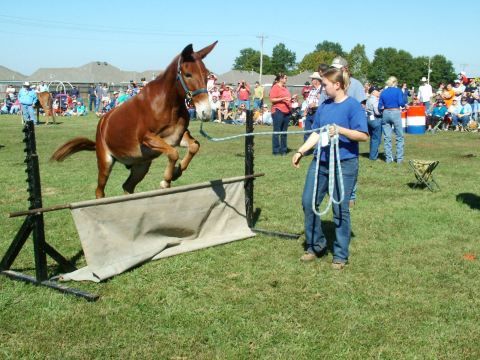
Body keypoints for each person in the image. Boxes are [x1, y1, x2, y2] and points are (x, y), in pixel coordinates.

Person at [291, 66, 368, 269]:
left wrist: (340, 130)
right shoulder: (324, 106)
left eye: (325, 84)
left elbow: (363, 135)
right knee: (309, 202)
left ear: (337, 85)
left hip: (344, 164)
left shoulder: (353, 107)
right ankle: (316, 245)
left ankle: (340, 255)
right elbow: (317, 133)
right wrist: (301, 151)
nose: (323, 88)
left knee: (340, 208)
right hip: (320, 163)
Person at [330, 56, 366, 207]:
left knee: (349, 162)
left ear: (345, 69)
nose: (334, 71)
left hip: (349, 133)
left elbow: (361, 108)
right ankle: (334, 194)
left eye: (337, 69)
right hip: (331, 131)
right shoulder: (330, 83)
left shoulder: (356, 85)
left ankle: (350, 196)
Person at [379, 76, 406, 164]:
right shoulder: (398, 91)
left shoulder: (383, 92)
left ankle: (388, 159)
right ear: (395, 83)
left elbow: (380, 106)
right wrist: (405, 104)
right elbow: (401, 103)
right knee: (399, 136)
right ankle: (399, 159)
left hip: (386, 113)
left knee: (387, 137)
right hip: (395, 112)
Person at [269, 73, 291, 155]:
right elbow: (272, 99)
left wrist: (291, 99)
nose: (286, 79)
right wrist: (282, 99)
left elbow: (287, 98)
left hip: (287, 111)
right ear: (281, 79)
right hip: (278, 111)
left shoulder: (285, 88)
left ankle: (283, 150)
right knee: (277, 131)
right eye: (285, 78)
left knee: (284, 132)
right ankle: (276, 150)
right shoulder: (275, 87)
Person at [303, 72, 323, 146]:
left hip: (317, 112)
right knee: (307, 131)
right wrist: (306, 109)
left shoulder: (323, 89)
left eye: (312, 79)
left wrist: (316, 104)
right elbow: (308, 101)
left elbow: (324, 101)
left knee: (317, 132)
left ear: (317, 80)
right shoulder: (312, 90)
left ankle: (318, 149)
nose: (311, 81)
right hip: (310, 112)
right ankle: (305, 150)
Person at [365, 86, 383, 160]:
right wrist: (383, 111)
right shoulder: (375, 100)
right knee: (376, 139)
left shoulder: (368, 99)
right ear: (373, 92)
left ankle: (373, 154)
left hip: (368, 119)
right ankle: (373, 157)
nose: (379, 92)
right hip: (376, 119)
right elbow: (377, 112)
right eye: (377, 91)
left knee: (373, 138)